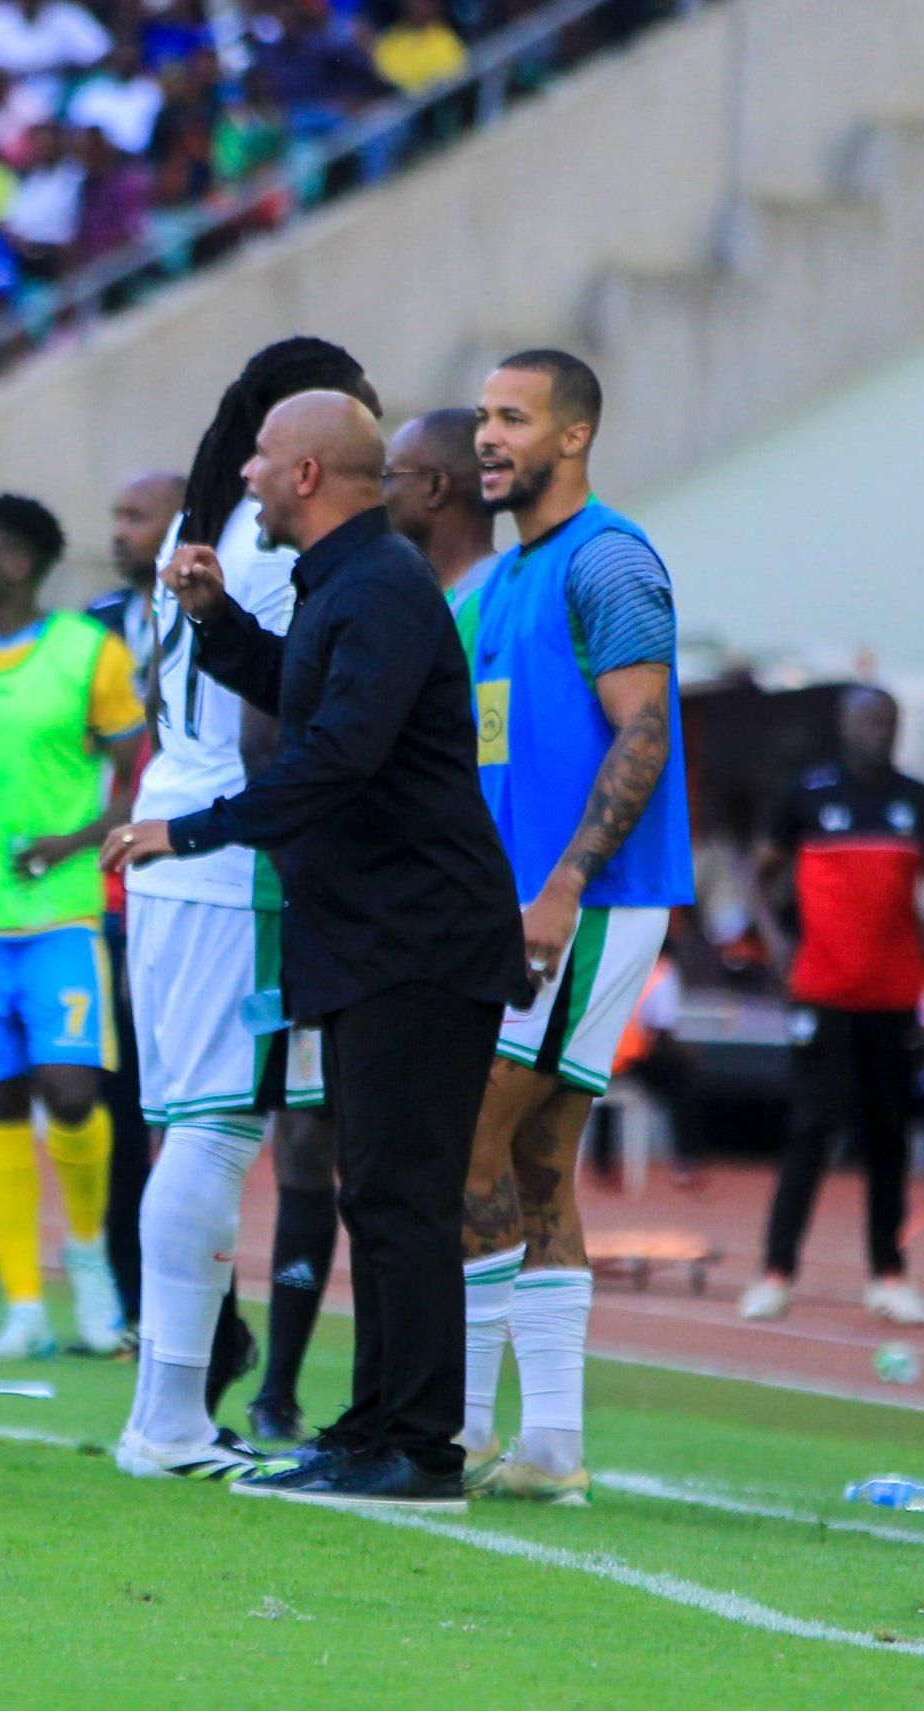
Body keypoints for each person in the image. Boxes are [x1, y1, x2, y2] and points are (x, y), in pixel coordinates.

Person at [111, 389, 525, 1512]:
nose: (241, 473)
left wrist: (186, 829)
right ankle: (373, 1425)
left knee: (403, 1197)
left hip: (419, 937)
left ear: (305, 476)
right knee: (376, 1193)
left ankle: (420, 1448)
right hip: (375, 937)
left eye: (259, 456)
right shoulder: (350, 582)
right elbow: (307, 698)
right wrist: (216, 622)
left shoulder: (380, 584)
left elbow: (337, 751)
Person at [109, 339, 363, 1482]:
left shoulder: (190, 529)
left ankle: (166, 1405)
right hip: (227, 858)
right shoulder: (268, 545)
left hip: (167, 844)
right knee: (218, 1132)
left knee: (187, 1129)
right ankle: (165, 1417)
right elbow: (272, 735)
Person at [460, 349, 692, 1506]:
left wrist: (560, 887)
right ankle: (546, 1443)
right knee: (537, 1159)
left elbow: (642, 734)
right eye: (482, 418)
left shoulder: (605, 560)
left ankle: (446, 1427)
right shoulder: (499, 583)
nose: (486, 437)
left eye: (513, 417)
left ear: (574, 436)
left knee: (467, 1137)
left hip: (583, 903)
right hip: (525, 905)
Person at [0, 494, 145, 1362]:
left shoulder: (89, 652)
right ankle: (22, 1301)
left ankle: (87, 1260)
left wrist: (76, 841)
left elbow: (138, 778)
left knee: (71, 1091)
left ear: (16, 563)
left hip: (60, 913)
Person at [745, 685, 924, 1326]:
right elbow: (761, 871)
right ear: (845, 725)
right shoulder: (809, 795)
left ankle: (889, 1273)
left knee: (888, 1139)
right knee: (811, 1131)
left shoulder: (913, 800)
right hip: (822, 991)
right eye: (867, 719)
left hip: (894, 995)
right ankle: (775, 1271)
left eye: (888, 720)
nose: (878, 730)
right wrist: (778, 946)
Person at [80, 472, 186, 1341]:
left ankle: (179, 1300)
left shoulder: (220, 614)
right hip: (106, 893)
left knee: (177, 1106)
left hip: (191, 881)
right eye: (115, 514)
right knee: (114, 1100)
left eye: (135, 514)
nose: (119, 530)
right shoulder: (92, 629)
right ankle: (122, 1292)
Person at [383, 407, 495, 601]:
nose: (379, 494)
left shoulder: (488, 603)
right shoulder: (425, 601)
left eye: (388, 476)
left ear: (435, 488)